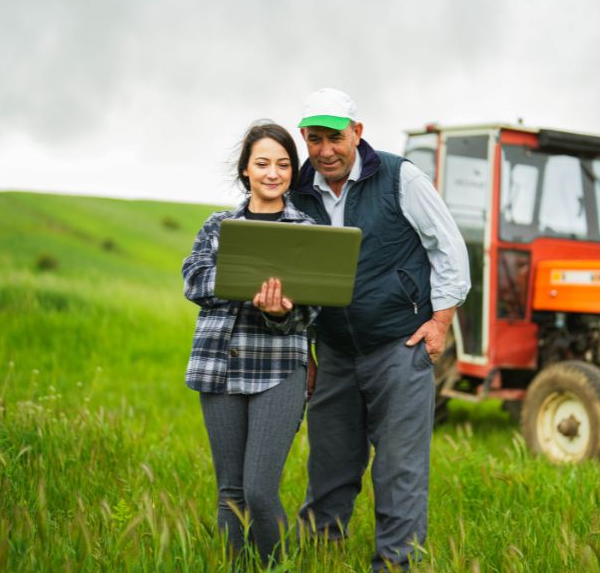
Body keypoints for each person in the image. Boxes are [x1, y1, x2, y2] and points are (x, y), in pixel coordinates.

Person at [291, 88, 470, 571]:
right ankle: (317, 556)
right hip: (333, 349)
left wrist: (439, 322)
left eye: (335, 137)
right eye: (314, 139)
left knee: (399, 467)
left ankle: (394, 563)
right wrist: (305, 349)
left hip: (399, 344)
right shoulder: (297, 191)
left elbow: (448, 249)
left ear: (358, 133)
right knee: (329, 462)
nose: (325, 150)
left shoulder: (398, 177)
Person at [182, 121, 319, 566]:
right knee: (230, 495)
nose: (272, 173)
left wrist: (279, 312)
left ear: (292, 173)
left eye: (282, 164)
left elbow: (312, 309)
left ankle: (277, 566)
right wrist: (246, 283)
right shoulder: (218, 226)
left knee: (259, 490)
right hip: (218, 367)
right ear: (246, 170)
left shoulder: (308, 231)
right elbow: (194, 281)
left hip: (279, 368)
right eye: (262, 163)